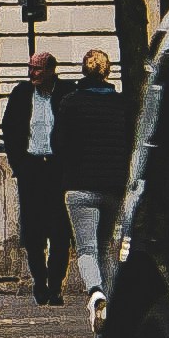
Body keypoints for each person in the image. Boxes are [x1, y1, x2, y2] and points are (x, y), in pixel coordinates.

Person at [56, 49, 136, 301]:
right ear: (108, 71)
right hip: (113, 185)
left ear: (83, 70)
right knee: (104, 248)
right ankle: (109, 299)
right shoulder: (122, 104)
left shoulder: (70, 103)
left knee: (86, 249)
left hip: (79, 185)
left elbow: (58, 143)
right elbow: (131, 144)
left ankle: (95, 291)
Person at [3, 52, 73, 302]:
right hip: (31, 168)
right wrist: (19, 164)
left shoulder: (67, 93)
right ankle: (40, 283)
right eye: (30, 67)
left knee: (60, 231)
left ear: (51, 70)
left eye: (38, 69)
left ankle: (55, 285)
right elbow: (9, 129)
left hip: (57, 169)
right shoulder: (21, 94)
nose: (32, 73)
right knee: (33, 232)